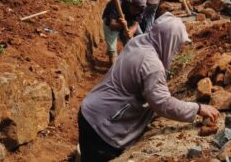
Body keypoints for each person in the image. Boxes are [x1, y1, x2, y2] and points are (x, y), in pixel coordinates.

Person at [79, 13, 220, 161]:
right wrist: (198, 108)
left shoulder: (140, 41)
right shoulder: (151, 65)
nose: (177, 50)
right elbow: (162, 103)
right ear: (168, 40)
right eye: (177, 44)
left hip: (92, 111)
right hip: (103, 126)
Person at [102, 0, 146, 64]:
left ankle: (126, 66)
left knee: (130, 47)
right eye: (135, 9)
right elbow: (112, 25)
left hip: (126, 23)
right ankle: (114, 70)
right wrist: (122, 25)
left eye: (138, 11)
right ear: (130, 4)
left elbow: (136, 23)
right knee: (112, 51)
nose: (136, 12)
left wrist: (131, 31)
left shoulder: (141, 8)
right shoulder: (116, 3)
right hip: (111, 23)